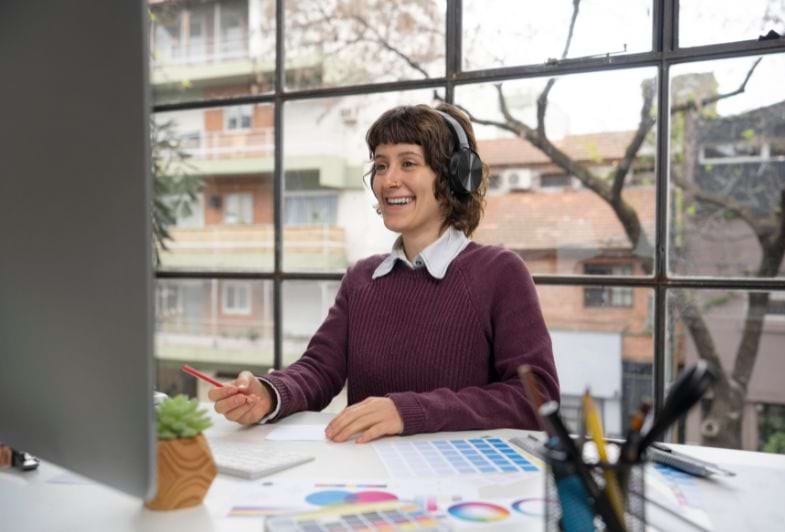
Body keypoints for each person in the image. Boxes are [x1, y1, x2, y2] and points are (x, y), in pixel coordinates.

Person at [209, 103, 559, 444]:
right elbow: (319, 369)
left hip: (461, 484)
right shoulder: (362, 278)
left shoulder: (500, 273)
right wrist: (270, 394)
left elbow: (535, 397)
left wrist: (408, 411)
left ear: (454, 176)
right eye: (380, 165)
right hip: (369, 473)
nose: (389, 180)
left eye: (408, 163)